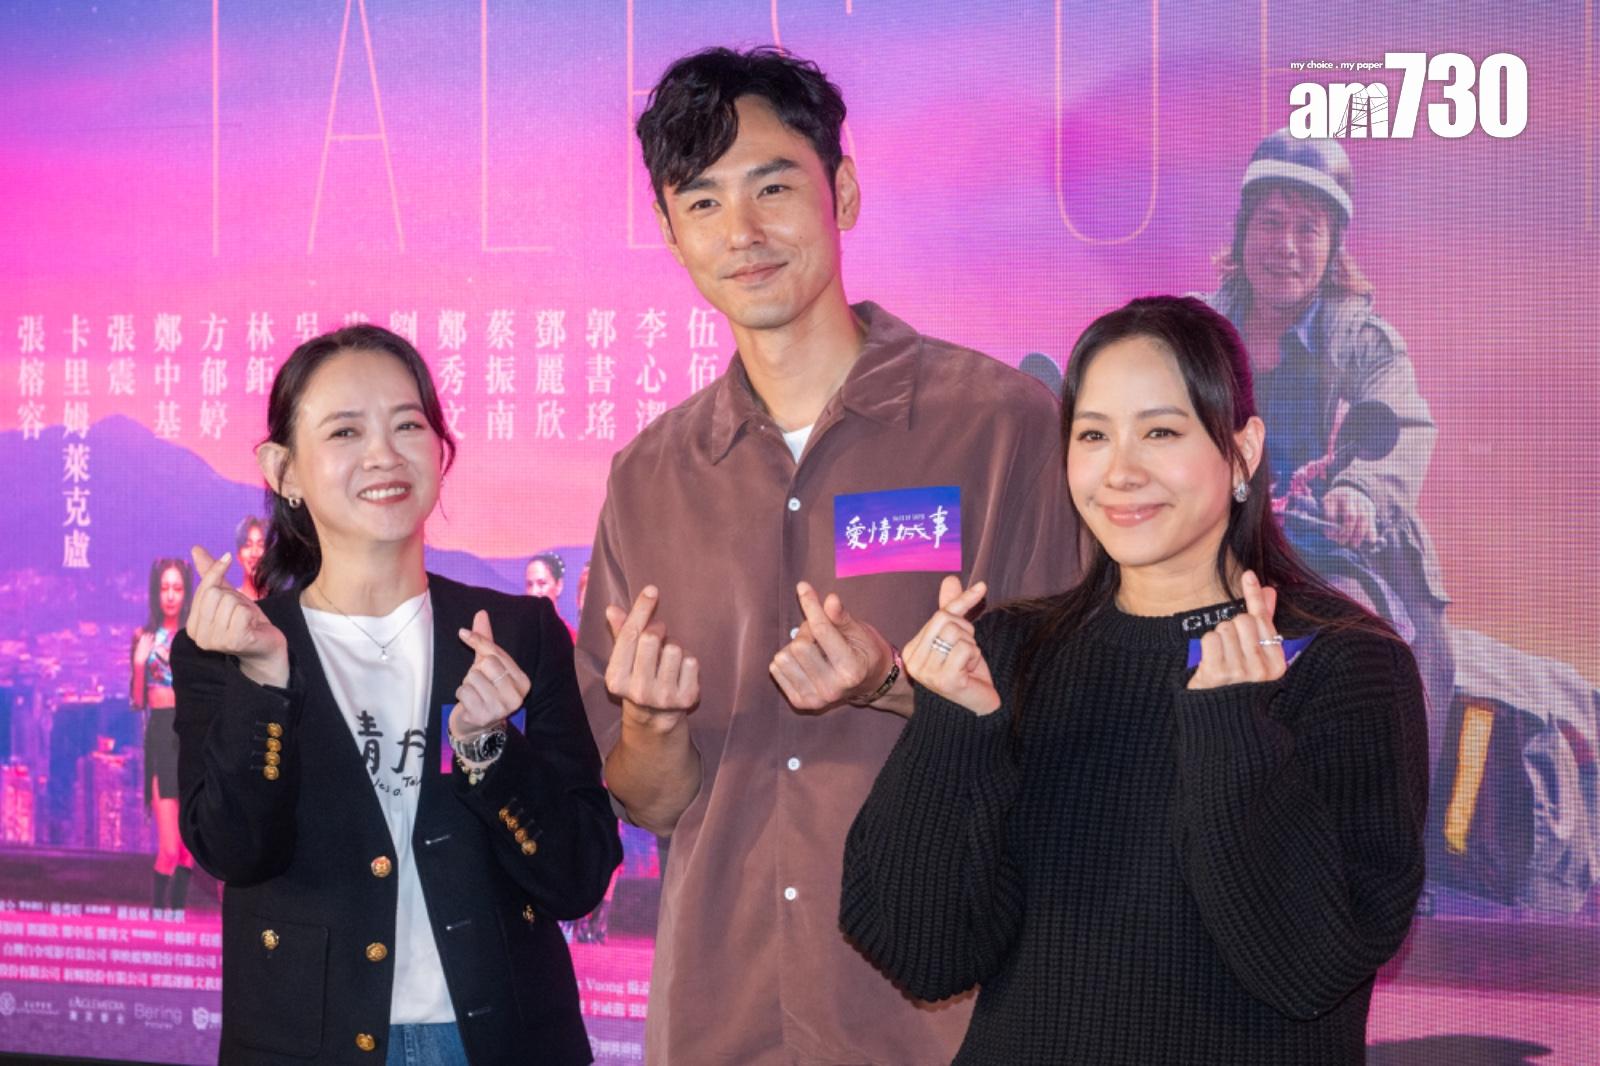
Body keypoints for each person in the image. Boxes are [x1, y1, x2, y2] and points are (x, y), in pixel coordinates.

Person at [576, 47, 1077, 1065]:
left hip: (949, 1022)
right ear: (671, 233)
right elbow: (650, 799)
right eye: (703, 202)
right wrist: (652, 727)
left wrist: (897, 688)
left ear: (840, 191)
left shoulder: (1002, 427)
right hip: (722, 1020)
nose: (742, 232)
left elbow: (1077, 731)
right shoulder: (648, 476)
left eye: (772, 187)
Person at [841, 296, 1429, 1064]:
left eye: (1161, 432)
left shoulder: (1344, 664)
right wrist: (953, 728)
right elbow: (921, 952)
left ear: (1243, 451)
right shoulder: (1014, 650)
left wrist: (1233, 729)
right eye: (1093, 435)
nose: (1120, 472)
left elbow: (1307, 971)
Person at [170, 325, 621, 1066]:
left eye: (408, 425)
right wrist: (263, 684)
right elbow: (233, 851)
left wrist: (489, 751)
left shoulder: (521, 632)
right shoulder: (230, 644)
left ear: (441, 452)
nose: (384, 454)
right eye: (345, 431)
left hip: (501, 1042)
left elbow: (578, 878)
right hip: (306, 1045)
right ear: (283, 469)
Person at [1200, 129, 1453, 774]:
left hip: (1333, 546)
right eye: (1271, 222)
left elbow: (1402, 426)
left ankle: (1385, 802)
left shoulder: (1367, 344)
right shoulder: (1194, 330)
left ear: (1334, 244)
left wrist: (1358, 491)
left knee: (1366, 655)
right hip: (1214, 538)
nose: (1286, 245)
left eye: (1308, 229)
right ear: (1243, 231)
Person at [129, 556, 196, 916]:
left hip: (191, 737)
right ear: (156, 593)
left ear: (186, 594)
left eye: (177, 588)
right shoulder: (143, 638)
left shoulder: (196, 638)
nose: (170, 595)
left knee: (187, 851)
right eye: (164, 588)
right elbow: (138, 701)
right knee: (169, 848)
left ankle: (176, 919)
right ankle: (157, 918)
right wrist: (140, 664)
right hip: (160, 735)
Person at [235, 515, 267, 600]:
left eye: (261, 545)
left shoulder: (280, 600)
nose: (254, 553)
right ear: (238, 555)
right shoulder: (231, 600)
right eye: (247, 545)